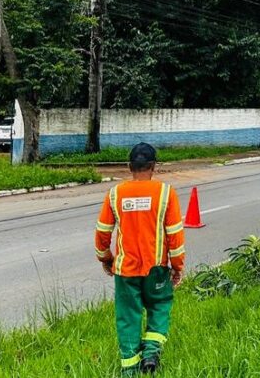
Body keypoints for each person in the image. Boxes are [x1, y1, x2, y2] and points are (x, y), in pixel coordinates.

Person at [95, 142, 186, 376]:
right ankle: (151, 352)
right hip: (156, 269)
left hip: (125, 271)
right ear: (154, 166)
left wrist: (106, 259)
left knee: (127, 316)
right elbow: (175, 236)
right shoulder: (166, 193)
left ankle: (129, 369)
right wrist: (177, 267)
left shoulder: (115, 194)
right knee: (159, 306)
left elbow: (103, 233)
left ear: (129, 166)